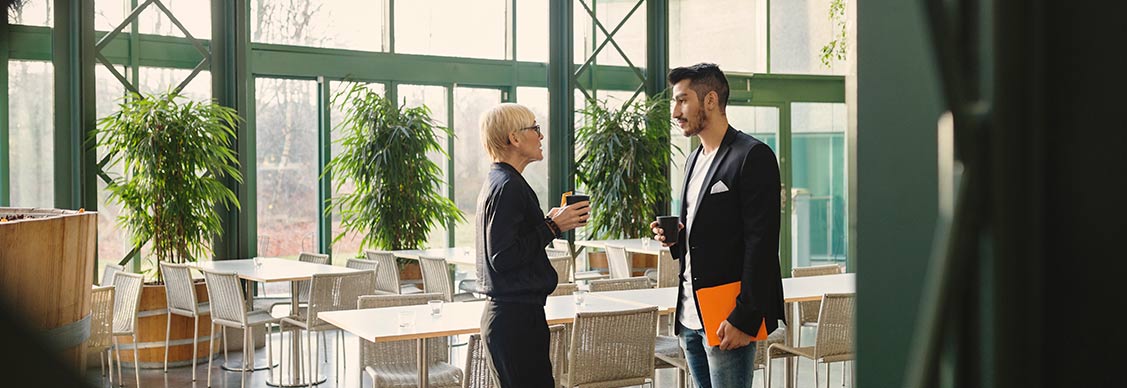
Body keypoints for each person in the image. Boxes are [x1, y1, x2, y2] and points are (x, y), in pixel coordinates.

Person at [650, 63, 786, 387]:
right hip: (688, 315)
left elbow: (762, 243)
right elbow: (710, 235)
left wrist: (745, 317)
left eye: (683, 101)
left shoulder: (752, 155)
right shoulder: (693, 159)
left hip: (728, 317)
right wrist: (675, 240)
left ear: (710, 100)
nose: (675, 112)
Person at [475, 103, 589, 387]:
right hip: (516, 321)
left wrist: (547, 223)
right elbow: (502, 256)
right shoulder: (509, 186)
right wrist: (553, 227)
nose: (541, 136)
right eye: (535, 129)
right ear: (515, 138)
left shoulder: (500, 180)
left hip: (513, 318)